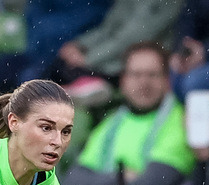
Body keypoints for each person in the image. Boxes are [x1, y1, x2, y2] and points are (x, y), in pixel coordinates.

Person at [61, 42, 195, 185]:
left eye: (152, 75)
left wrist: (103, 183)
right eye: (136, 75)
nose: (144, 83)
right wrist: (121, 178)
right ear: (123, 81)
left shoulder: (181, 119)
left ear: (167, 81)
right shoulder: (112, 123)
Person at [0, 0, 113, 105]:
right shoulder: (38, 5)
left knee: (29, 83)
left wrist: (84, 49)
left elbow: (105, 28)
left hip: (65, 60)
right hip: (33, 56)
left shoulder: (94, 6)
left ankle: (68, 89)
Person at [50, 0, 182, 106]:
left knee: (66, 70)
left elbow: (132, 37)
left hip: (127, 61)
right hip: (111, 58)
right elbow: (108, 29)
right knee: (57, 64)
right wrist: (79, 45)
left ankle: (96, 84)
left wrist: (87, 59)